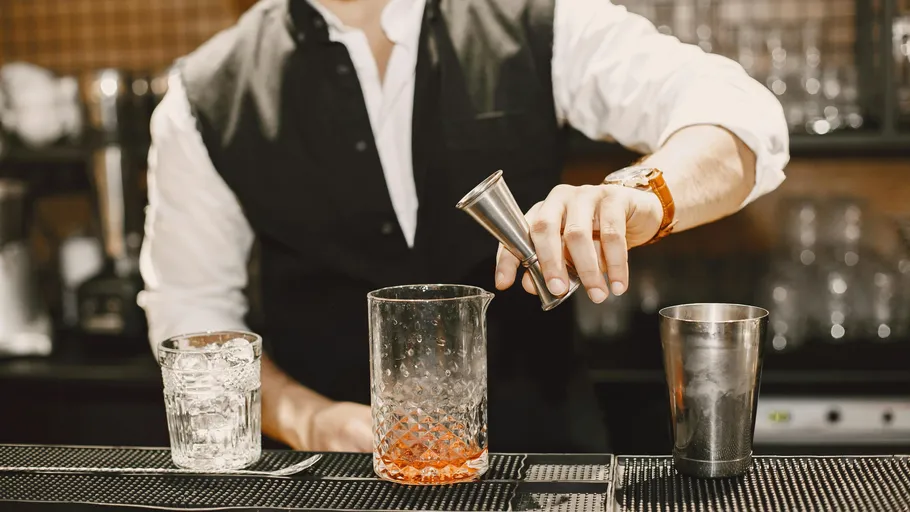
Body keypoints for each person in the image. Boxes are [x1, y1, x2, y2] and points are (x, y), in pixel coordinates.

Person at [139, 0, 789, 454]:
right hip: (336, 480)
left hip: (545, 463)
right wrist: (310, 422)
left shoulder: (537, 17)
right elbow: (192, 316)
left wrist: (640, 196)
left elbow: (741, 116)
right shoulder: (203, 98)